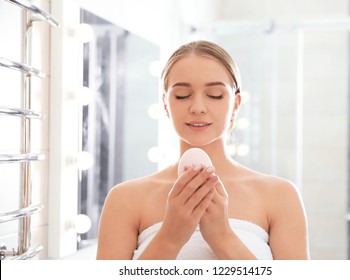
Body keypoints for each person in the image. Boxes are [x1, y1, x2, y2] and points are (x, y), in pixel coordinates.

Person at [96, 40, 309, 260]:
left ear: (235, 104)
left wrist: (222, 237)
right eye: (182, 95)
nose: (197, 107)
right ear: (165, 104)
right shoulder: (125, 199)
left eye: (215, 95)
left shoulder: (280, 196)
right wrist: (170, 236)